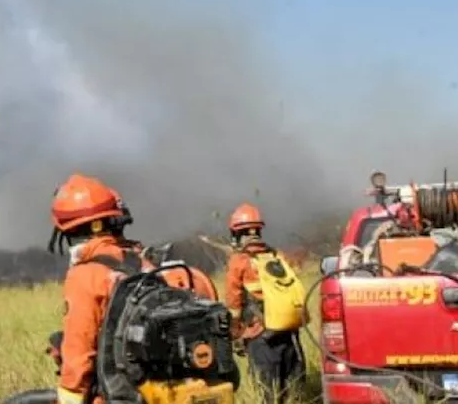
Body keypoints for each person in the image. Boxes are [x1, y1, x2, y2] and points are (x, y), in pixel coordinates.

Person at [49, 173, 221, 404]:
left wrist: (70, 395)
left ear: (70, 231)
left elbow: (79, 353)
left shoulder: (85, 276)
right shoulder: (146, 264)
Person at [224, 203, 306, 404]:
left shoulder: (239, 261)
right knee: (292, 387)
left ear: (236, 234)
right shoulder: (277, 255)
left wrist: (236, 334)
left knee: (267, 392)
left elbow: (234, 303)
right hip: (289, 332)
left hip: (260, 335)